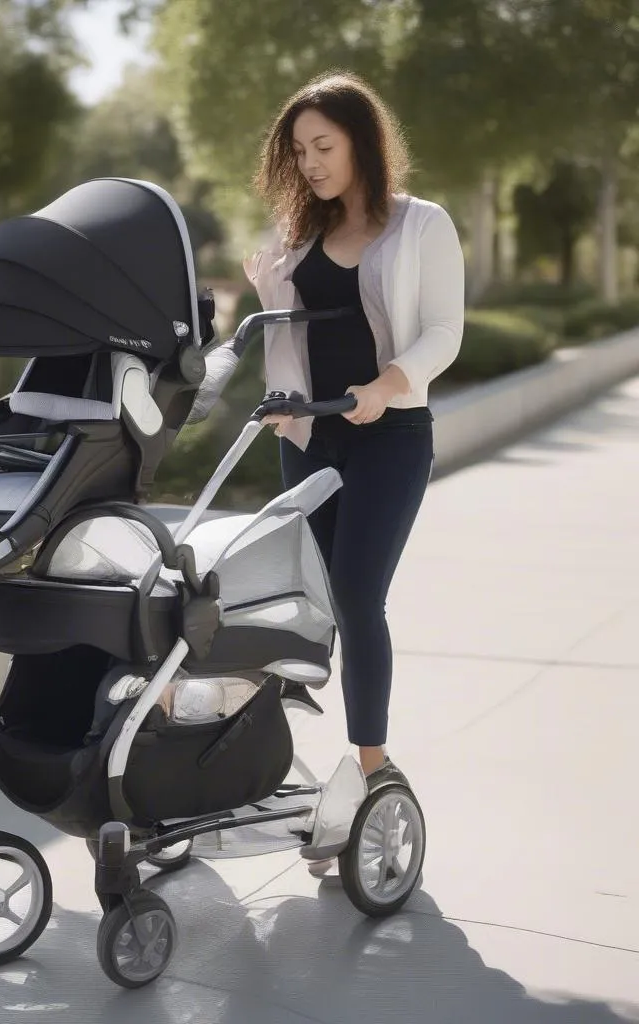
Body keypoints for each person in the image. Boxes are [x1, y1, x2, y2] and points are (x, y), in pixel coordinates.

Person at [240, 72, 465, 794]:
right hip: (308, 438)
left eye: (322, 146)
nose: (308, 163)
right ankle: (256, 743)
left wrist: (385, 387)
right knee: (302, 597)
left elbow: (444, 332)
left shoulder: (422, 224)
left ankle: (373, 764)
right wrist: (278, 391)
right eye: (299, 150)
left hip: (389, 435)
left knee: (358, 596)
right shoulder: (300, 232)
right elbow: (286, 331)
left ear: (361, 141)